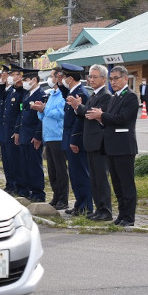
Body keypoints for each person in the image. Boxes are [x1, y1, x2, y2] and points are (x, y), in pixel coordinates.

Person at [86, 65, 140, 226]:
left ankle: (129, 217)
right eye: (111, 79)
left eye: (116, 78)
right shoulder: (115, 97)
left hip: (124, 146)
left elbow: (122, 118)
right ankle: (121, 215)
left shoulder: (130, 96)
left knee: (126, 183)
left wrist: (102, 115)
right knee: (117, 184)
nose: (113, 82)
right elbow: (110, 119)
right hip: (111, 146)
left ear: (125, 78)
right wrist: (100, 119)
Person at [67, 64, 113, 221]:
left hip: (99, 143)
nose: (91, 79)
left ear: (103, 79)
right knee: (94, 178)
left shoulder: (105, 95)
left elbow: (93, 114)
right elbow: (86, 115)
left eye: (95, 77)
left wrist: (78, 106)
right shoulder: (94, 95)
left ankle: (105, 210)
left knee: (101, 178)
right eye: (90, 76)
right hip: (91, 142)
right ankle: (98, 208)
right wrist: (78, 108)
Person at [32, 68, 69, 210]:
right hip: (48, 136)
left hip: (58, 135)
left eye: (52, 76)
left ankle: (63, 199)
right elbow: (45, 115)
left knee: (60, 169)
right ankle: (56, 195)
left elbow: (60, 113)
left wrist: (44, 110)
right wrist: (40, 110)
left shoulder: (62, 95)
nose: (49, 78)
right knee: (52, 170)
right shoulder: (52, 94)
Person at [59, 63, 93, 216]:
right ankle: (79, 204)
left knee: (81, 173)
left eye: (64, 77)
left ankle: (86, 206)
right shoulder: (72, 91)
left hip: (76, 139)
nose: (63, 79)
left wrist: (74, 140)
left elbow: (80, 120)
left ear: (70, 78)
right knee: (74, 173)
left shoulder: (81, 93)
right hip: (68, 137)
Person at [12, 68, 46, 202]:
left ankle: (38, 192)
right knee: (24, 165)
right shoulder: (27, 94)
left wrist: (38, 136)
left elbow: (41, 118)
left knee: (35, 165)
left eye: (26, 80)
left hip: (33, 135)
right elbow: (22, 114)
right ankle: (28, 190)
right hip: (24, 134)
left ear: (34, 80)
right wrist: (17, 131)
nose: (24, 82)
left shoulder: (41, 95)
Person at [0, 64, 21, 194]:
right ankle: (9, 183)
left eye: (8, 74)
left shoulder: (16, 91)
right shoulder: (7, 90)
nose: (6, 77)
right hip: (4, 130)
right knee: (6, 160)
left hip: (11, 130)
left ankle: (15, 184)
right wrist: (0, 82)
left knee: (13, 160)